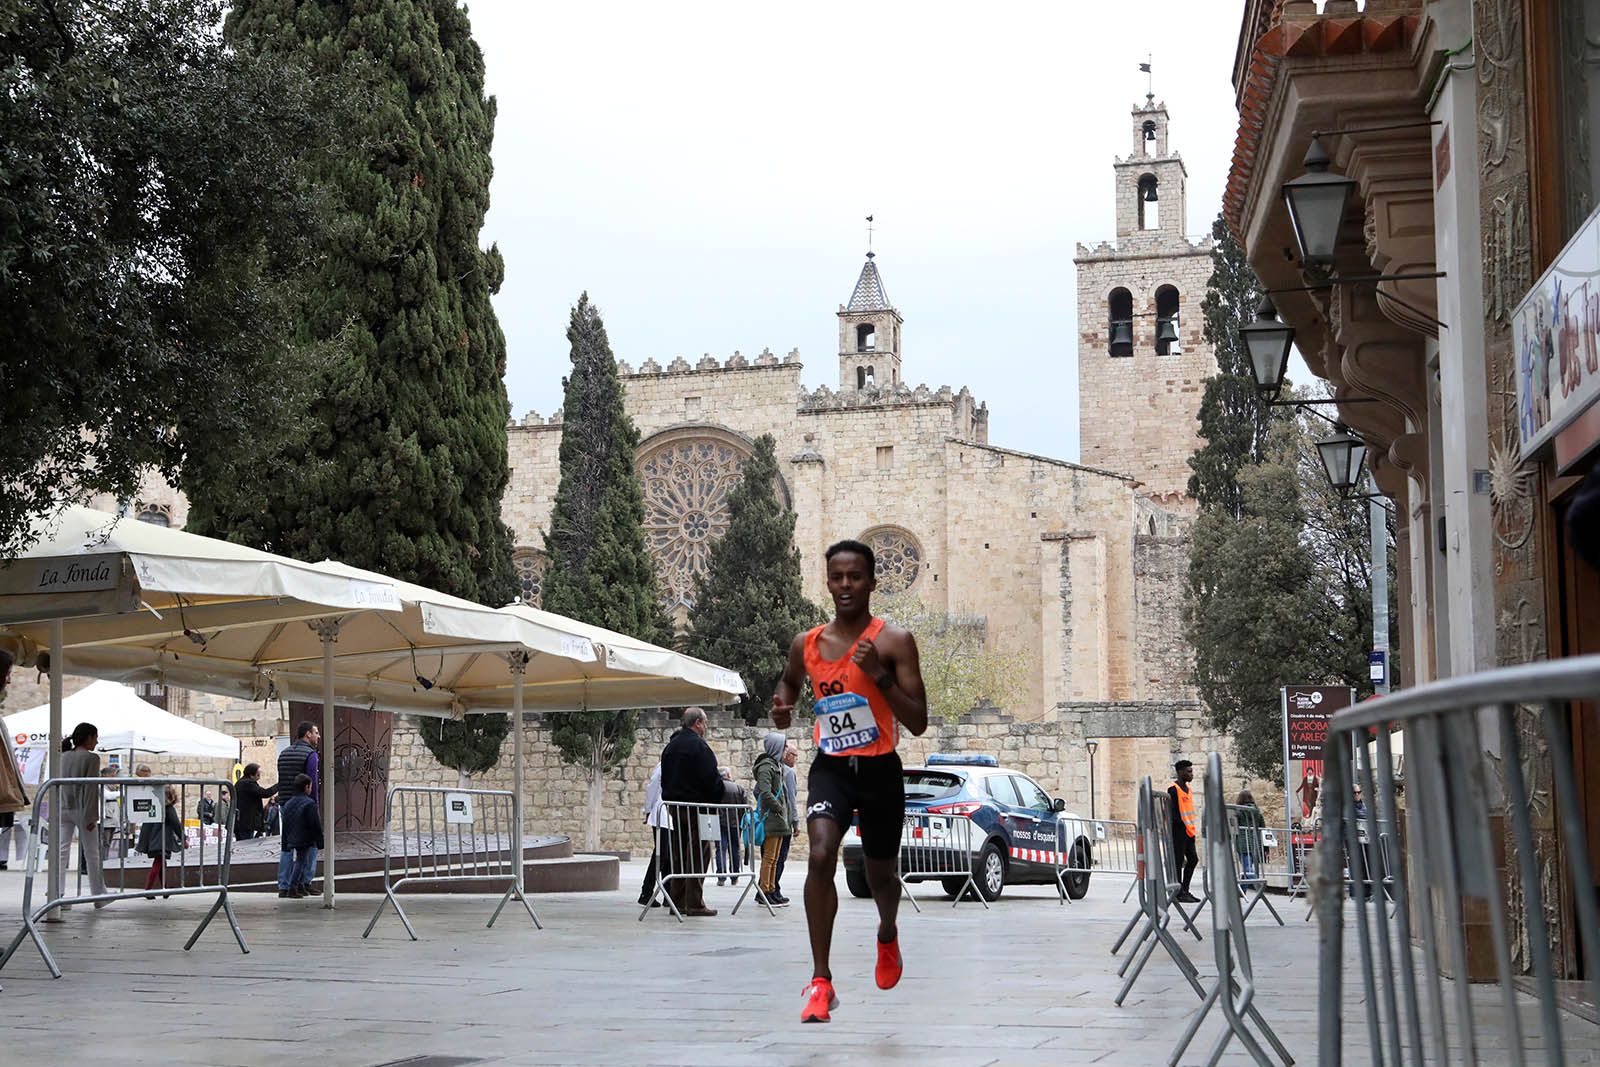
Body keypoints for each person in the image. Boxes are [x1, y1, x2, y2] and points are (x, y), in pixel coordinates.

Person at [773, 538, 929, 1024]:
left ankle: (887, 933)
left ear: (871, 582)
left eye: (855, 577)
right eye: (837, 577)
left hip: (881, 769)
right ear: (828, 582)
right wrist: (782, 707)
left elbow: (919, 720)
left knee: (881, 874)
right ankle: (821, 980)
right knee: (820, 856)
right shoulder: (808, 643)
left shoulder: (895, 641)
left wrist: (879, 677)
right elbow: (789, 684)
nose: (845, 585)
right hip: (832, 767)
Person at [658, 707, 723, 917]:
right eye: (705, 723)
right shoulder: (699, 747)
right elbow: (710, 779)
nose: (706, 727)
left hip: (675, 807)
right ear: (697, 723)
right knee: (698, 853)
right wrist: (715, 798)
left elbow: (664, 779)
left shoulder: (670, 747)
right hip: (697, 807)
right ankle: (694, 902)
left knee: (679, 852)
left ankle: (677, 901)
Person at [57, 722, 110, 909]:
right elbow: (90, 789)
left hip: (63, 808)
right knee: (92, 853)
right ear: (88, 737)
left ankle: (58, 895)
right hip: (82, 809)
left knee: (61, 852)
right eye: (95, 737)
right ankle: (98, 895)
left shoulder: (63, 756)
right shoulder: (91, 758)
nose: (96, 742)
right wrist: (91, 816)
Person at [753, 731, 791, 907]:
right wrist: (778, 807)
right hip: (771, 818)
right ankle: (764, 891)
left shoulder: (776, 766)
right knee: (769, 858)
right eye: (784, 748)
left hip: (778, 819)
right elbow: (764, 791)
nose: (786, 751)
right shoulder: (766, 766)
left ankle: (770, 889)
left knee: (775, 858)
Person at [277, 774, 323, 899]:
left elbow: (285, 824)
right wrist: (320, 841)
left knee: (301, 861)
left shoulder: (288, 803)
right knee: (301, 862)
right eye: (310, 787)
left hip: (292, 837)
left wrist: (286, 841)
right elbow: (315, 824)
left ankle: (300, 886)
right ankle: (293, 887)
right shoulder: (309, 804)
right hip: (305, 837)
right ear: (306, 787)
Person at [137, 785, 184, 895]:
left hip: (153, 839)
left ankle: (165, 888)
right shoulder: (168, 808)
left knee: (161, 863)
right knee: (158, 863)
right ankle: (148, 890)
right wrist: (184, 838)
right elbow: (176, 824)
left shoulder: (154, 805)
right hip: (162, 840)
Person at [637, 762, 671, 907]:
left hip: (668, 814)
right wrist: (648, 809)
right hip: (663, 813)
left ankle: (668, 894)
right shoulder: (665, 763)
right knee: (661, 853)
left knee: (668, 854)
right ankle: (647, 891)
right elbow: (653, 786)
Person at [771, 740, 799, 904]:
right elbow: (791, 799)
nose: (796, 759)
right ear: (787, 756)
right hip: (784, 821)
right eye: (795, 755)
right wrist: (795, 821)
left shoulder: (774, 769)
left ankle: (766, 887)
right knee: (779, 857)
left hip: (774, 820)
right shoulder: (787, 772)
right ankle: (774, 889)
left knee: (771, 857)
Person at [1168, 759, 1199, 904]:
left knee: (1193, 859)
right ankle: (1178, 892)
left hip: (1189, 831)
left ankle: (1185, 890)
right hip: (1178, 832)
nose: (1192, 774)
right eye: (1189, 771)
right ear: (1180, 773)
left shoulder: (1188, 789)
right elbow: (1172, 812)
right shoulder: (1173, 789)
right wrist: (1178, 826)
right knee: (1178, 861)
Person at [715, 768, 748, 885]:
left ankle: (721, 876)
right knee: (735, 849)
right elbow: (745, 806)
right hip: (735, 823)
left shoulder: (716, 788)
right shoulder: (738, 788)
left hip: (719, 822)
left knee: (721, 848)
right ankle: (734, 876)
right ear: (728, 775)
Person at [276, 722, 321, 804]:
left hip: (284, 803)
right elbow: (312, 782)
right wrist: (314, 804)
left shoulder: (283, 753)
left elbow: (281, 781)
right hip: (303, 804)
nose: (319, 736)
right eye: (316, 733)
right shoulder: (311, 754)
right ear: (308, 734)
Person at [230, 764, 276, 841]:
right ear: (251, 774)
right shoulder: (247, 783)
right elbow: (265, 793)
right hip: (245, 822)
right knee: (246, 845)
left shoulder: (241, 782)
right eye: (258, 774)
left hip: (241, 821)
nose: (259, 776)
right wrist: (279, 785)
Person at [1233, 789, 1264, 889]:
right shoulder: (1257, 812)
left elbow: (1233, 826)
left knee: (1247, 868)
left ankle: (1257, 884)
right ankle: (1242, 890)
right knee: (1248, 867)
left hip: (1242, 843)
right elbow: (1263, 828)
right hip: (1255, 844)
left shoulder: (1238, 812)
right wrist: (1265, 847)